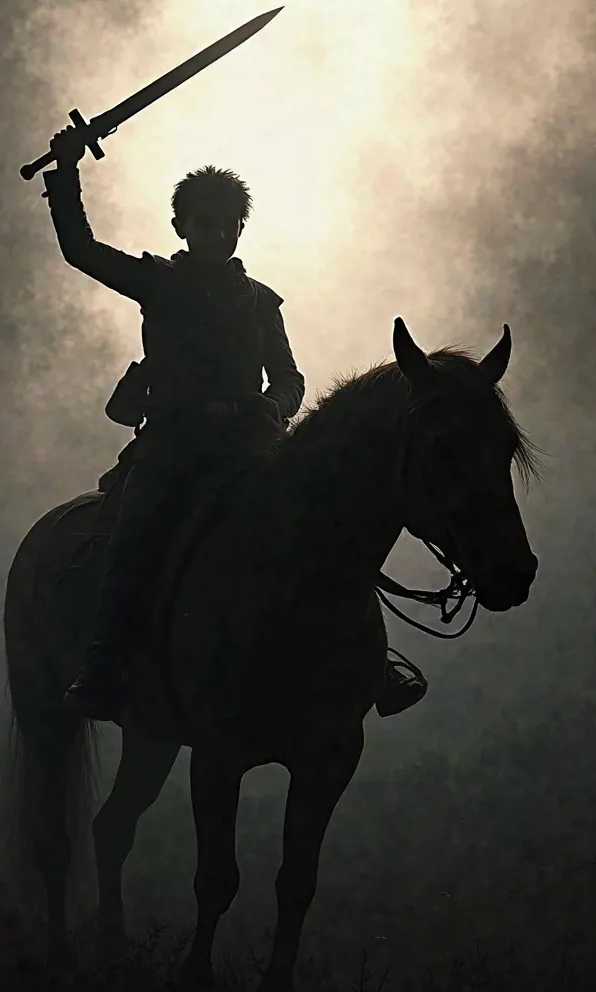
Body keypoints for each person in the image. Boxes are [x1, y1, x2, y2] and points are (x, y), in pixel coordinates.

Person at [42, 126, 425, 721]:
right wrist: (65, 173)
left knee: (328, 523)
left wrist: (277, 407)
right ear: (182, 228)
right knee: (134, 535)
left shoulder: (261, 301)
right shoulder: (157, 283)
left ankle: (371, 662)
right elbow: (81, 249)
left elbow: (290, 377)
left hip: (249, 443)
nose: (216, 234)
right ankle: (103, 659)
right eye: (203, 223)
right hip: (172, 443)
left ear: (239, 230)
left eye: (227, 224)